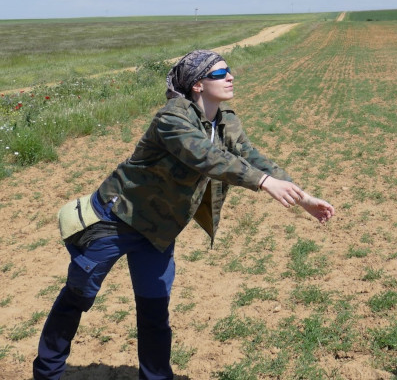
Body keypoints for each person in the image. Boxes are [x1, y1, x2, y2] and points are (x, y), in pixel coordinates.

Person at [33, 50, 335, 380]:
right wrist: (263, 183)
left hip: (158, 231)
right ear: (196, 85)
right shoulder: (171, 119)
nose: (231, 76)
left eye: (229, 70)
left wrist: (302, 198)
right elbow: (205, 157)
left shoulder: (225, 120)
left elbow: (253, 158)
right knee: (77, 298)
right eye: (220, 74)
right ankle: (46, 373)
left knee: (154, 312)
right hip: (115, 221)